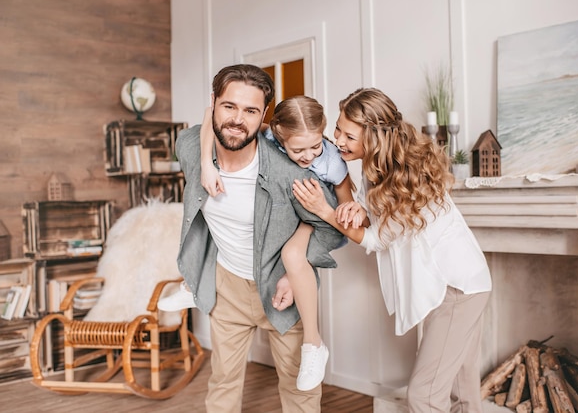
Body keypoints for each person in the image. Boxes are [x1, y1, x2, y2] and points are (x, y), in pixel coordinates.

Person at [292, 87, 492, 413]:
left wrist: (324, 210)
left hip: (458, 289)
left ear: (374, 137)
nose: (338, 140)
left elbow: (376, 240)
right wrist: (359, 209)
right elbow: (386, 219)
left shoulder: (404, 174)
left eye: (348, 135)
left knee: (424, 397)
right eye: (338, 129)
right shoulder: (379, 169)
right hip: (467, 284)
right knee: (463, 392)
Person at [173, 64, 345, 412]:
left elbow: (330, 224)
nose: (238, 119)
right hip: (227, 286)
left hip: (280, 289)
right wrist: (208, 165)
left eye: (251, 110)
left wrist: (295, 270)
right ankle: (189, 283)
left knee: (300, 388)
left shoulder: (291, 171)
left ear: (263, 115)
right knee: (222, 382)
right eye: (229, 106)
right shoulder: (190, 148)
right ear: (213, 104)